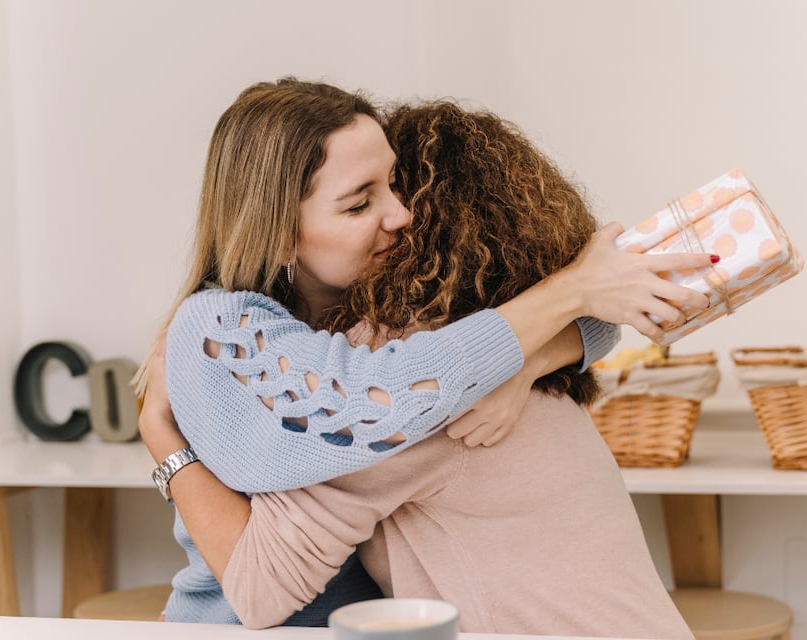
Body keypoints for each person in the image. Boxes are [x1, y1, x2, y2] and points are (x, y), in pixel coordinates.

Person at [137, 77, 713, 628]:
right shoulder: (220, 326)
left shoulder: (373, 319)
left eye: (395, 183)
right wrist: (164, 441)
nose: (402, 215)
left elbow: (593, 327)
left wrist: (528, 362)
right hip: (231, 625)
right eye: (359, 203)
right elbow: (372, 395)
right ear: (280, 232)